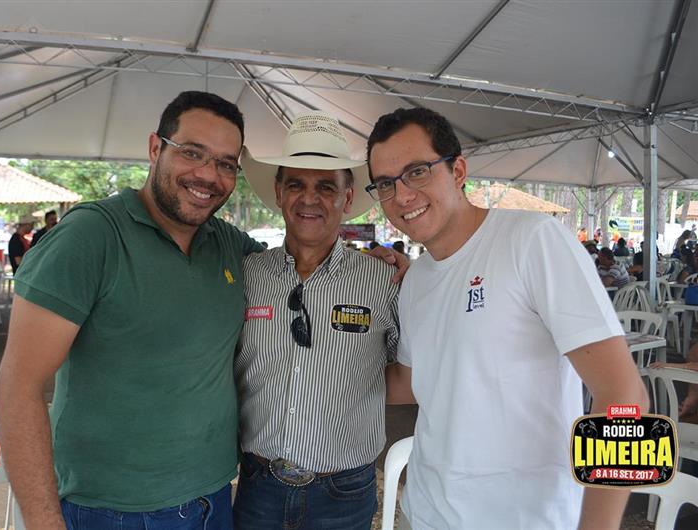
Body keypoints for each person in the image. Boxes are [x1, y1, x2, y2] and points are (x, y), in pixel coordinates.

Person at [366, 107, 648, 530]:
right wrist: (317, 365)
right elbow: (409, 381)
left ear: (458, 170)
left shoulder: (532, 240)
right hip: (425, 512)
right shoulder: (417, 278)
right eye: (386, 184)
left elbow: (626, 396)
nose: (402, 195)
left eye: (417, 172)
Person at [0, 91, 261, 530]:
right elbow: (18, 385)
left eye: (226, 164)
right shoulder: (89, 236)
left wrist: (375, 265)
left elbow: (298, 269)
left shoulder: (228, 244)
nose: (208, 175)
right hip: (111, 510)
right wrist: (43, 521)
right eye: (192, 152)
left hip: (213, 497)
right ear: (156, 148)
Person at [234, 112, 400, 529]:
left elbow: (414, 372)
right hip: (259, 486)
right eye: (296, 184)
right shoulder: (246, 274)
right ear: (279, 192)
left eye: (326, 187)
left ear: (347, 198)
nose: (309, 199)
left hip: (343, 492)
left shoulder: (384, 281)